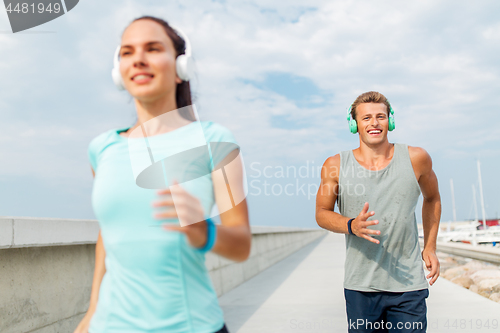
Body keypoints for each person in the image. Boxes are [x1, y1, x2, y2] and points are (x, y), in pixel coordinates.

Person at [74, 16, 251, 333]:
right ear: (119, 71)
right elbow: (109, 236)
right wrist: (91, 312)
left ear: (181, 66)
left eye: (153, 48)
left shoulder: (215, 141)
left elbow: (241, 245)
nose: (138, 59)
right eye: (127, 52)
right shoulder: (100, 148)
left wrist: (203, 230)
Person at [315, 91, 441, 333]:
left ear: (390, 121)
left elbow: (432, 198)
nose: (374, 123)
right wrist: (351, 225)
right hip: (361, 288)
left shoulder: (417, 158)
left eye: (380, 116)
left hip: (408, 287)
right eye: (366, 118)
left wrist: (430, 247)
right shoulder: (335, 165)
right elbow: (322, 213)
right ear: (354, 124)